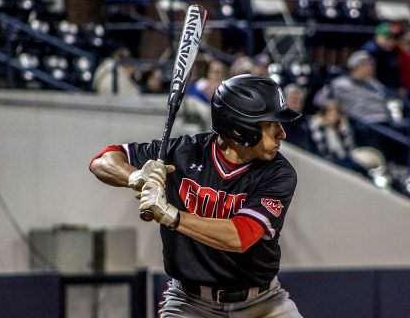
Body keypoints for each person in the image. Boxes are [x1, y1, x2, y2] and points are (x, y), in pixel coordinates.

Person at [90, 74, 303, 317]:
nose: (282, 134)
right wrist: (135, 177)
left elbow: (240, 236)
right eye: (272, 124)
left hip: (262, 303)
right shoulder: (183, 152)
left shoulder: (279, 173)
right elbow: (103, 159)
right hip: (189, 303)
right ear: (241, 128)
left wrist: (171, 216)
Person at [360, 22, 404, 94]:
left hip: (390, 87)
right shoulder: (369, 51)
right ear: (378, 36)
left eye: (394, 38)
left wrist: (399, 86)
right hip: (375, 90)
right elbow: (367, 76)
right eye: (388, 38)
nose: (391, 41)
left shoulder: (392, 51)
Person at [282, 83, 315, 152]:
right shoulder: (274, 119)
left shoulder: (304, 124)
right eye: (293, 100)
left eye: (298, 101)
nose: (295, 104)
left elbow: (310, 147)